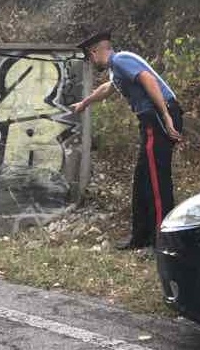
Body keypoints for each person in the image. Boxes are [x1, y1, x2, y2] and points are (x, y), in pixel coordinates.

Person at [71, 31, 184, 249]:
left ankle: (164, 242)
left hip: (158, 118)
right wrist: (84, 103)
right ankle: (140, 237)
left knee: (157, 183)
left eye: (89, 56)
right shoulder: (117, 68)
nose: (91, 62)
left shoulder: (121, 60)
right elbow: (107, 89)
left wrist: (166, 115)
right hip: (152, 120)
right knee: (143, 180)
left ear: (95, 52)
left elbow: (148, 79)